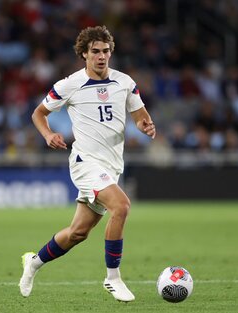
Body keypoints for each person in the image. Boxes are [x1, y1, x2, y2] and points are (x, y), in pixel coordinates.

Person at [19, 26, 156, 302]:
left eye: (106, 51)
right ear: (84, 54)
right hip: (85, 163)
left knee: (77, 233)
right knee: (122, 206)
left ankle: (33, 262)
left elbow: (140, 114)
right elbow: (39, 113)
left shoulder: (125, 82)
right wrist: (48, 134)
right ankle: (112, 278)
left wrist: (145, 125)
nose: (101, 56)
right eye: (95, 52)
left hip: (111, 166)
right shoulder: (68, 85)